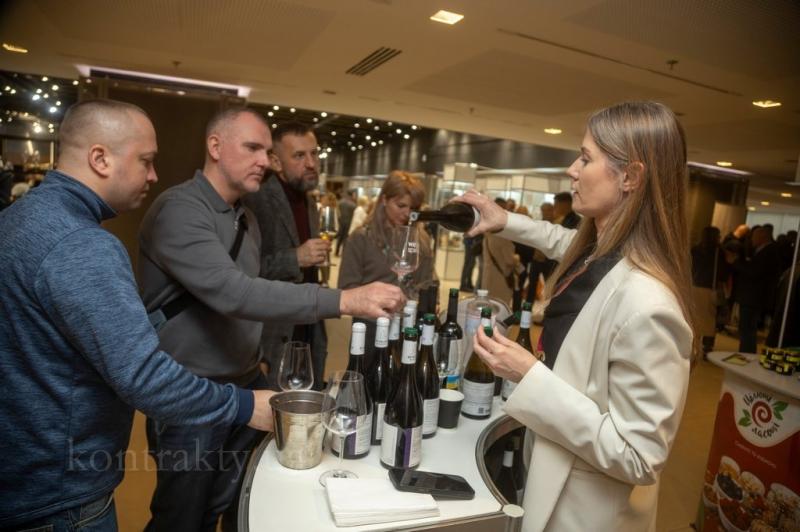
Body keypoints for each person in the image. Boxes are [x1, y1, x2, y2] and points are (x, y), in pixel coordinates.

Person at [0, 100, 275, 531]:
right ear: (100, 158)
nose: (153, 175)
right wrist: (243, 404)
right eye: (145, 160)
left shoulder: (17, 219)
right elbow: (143, 376)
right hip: (60, 494)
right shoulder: (82, 244)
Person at [137, 107, 404, 531]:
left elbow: (256, 288)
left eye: (266, 150)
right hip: (191, 389)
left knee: (233, 503)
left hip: (246, 382)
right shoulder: (180, 209)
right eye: (252, 148)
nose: (265, 160)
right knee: (181, 518)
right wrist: (346, 299)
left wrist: (258, 358)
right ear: (215, 146)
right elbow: (235, 293)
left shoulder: (246, 217)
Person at [457, 101, 695, 531]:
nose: (572, 169)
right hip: (548, 469)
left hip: (584, 513)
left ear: (630, 177)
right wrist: (503, 220)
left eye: (586, 158)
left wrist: (529, 375)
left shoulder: (649, 306)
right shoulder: (600, 252)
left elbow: (640, 456)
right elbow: (559, 240)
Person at [242, 121, 329, 390]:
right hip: (272, 339)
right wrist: (296, 258)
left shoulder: (309, 201)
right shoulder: (256, 201)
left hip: (307, 328)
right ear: (276, 162)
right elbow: (243, 274)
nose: (311, 163)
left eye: (314, 153)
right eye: (299, 156)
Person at [338, 170, 436, 363]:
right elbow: (346, 288)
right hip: (370, 330)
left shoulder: (422, 241)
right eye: (401, 205)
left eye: (414, 208)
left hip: (407, 328)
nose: (407, 213)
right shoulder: (361, 238)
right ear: (384, 200)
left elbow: (427, 282)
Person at [726, 225, 781, 353]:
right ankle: (746, 353)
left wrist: (735, 262)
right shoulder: (762, 250)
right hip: (753, 296)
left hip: (753, 297)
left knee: (747, 329)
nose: (752, 239)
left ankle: (746, 354)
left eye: (754, 236)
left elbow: (754, 272)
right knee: (747, 328)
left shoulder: (769, 251)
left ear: (762, 236)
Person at [691, 226, 725, 357]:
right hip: (709, 289)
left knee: (694, 318)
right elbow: (722, 272)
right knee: (710, 320)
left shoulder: (695, 249)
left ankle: (693, 345)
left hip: (694, 287)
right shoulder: (718, 252)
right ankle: (707, 348)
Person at [482, 197, 518, 304]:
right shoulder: (503, 235)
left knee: (488, 306)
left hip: (488, 278)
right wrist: (517, 258)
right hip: (501, 280)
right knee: (499, 308)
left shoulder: (488, 232)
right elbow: (509, 260)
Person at [336, 189, 356, 255]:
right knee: (345, 238)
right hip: (349, 222)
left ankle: (336, 251)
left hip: (341, 222)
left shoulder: (341, 202)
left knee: (340, 237)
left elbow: (338, 213)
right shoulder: (353, 204)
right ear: (352, 195)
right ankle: (344, 252)